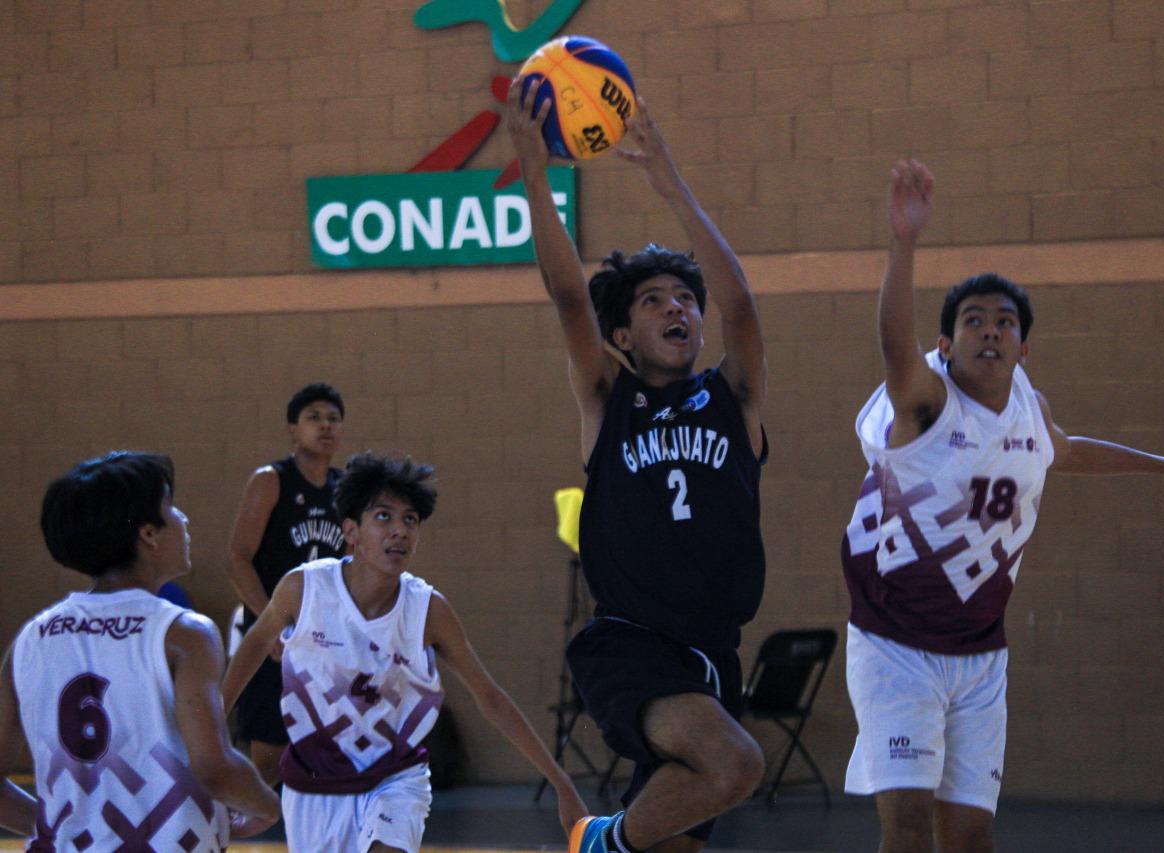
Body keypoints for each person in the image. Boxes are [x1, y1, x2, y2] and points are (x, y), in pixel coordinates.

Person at [842, 159, 1164, 853]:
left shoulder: (1030, 406)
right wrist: (903, 244)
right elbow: (892, 343)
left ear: (1024, 345)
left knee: (970, 835)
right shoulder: (926, 400)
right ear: (945, 343)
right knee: (905, 825)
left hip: (979, 651)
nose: (989, 332)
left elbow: (1069, 451)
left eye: (1003, 323)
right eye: (972, 321)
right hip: (895, 641)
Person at [508, 82, 768, 853]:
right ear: (624, 329)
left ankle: (620, 842)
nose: (679, 308)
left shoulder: (734, 398)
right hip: (629, 643)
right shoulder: (607, 398)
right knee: (736, 762)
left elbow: (743, 309)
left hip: (712, 651)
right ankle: (601, 840)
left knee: (678, 840)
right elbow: (565, 297)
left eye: (686, 297)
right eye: (656, 300)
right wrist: (532, 168)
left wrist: (670, 181)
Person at [222, 452, 587, 852]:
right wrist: (210, 727)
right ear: (351, 531)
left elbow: (490, 697)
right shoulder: (304, 589)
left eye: (410, 520)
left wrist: (560, 782)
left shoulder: (428, 610)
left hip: (394, 779)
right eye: (384, 517)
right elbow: (254, 644)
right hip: (313, 784)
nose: (399, 530)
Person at [0, 451, 279, 850]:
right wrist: (269, 807)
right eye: (171, 506)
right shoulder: (183, 634)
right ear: (148, 534)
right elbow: (214, 767)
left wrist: (65, 826)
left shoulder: (30, 639)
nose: (183, 519)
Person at [224, 382, 347, 785]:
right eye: (314, 417)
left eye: (333, 418)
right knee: (269, 756)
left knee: (327, 748)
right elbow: (238, 559)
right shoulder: (271, 480)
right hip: (273, 632)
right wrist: (269, 623)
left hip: (323, 634)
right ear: (292, 429)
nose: (325, 425)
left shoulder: (345, 489)